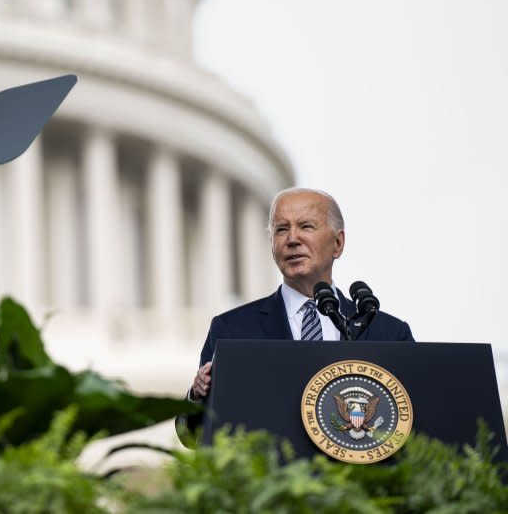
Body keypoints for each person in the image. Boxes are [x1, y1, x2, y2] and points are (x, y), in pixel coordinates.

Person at [177, 187, 414, 442]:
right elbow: (191, 436)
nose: (292, 239)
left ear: (338, 243)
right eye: (281, 229)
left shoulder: (387, 333)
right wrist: (198, 396)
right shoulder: (232, 329)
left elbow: (416, 421)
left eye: (306, 226)